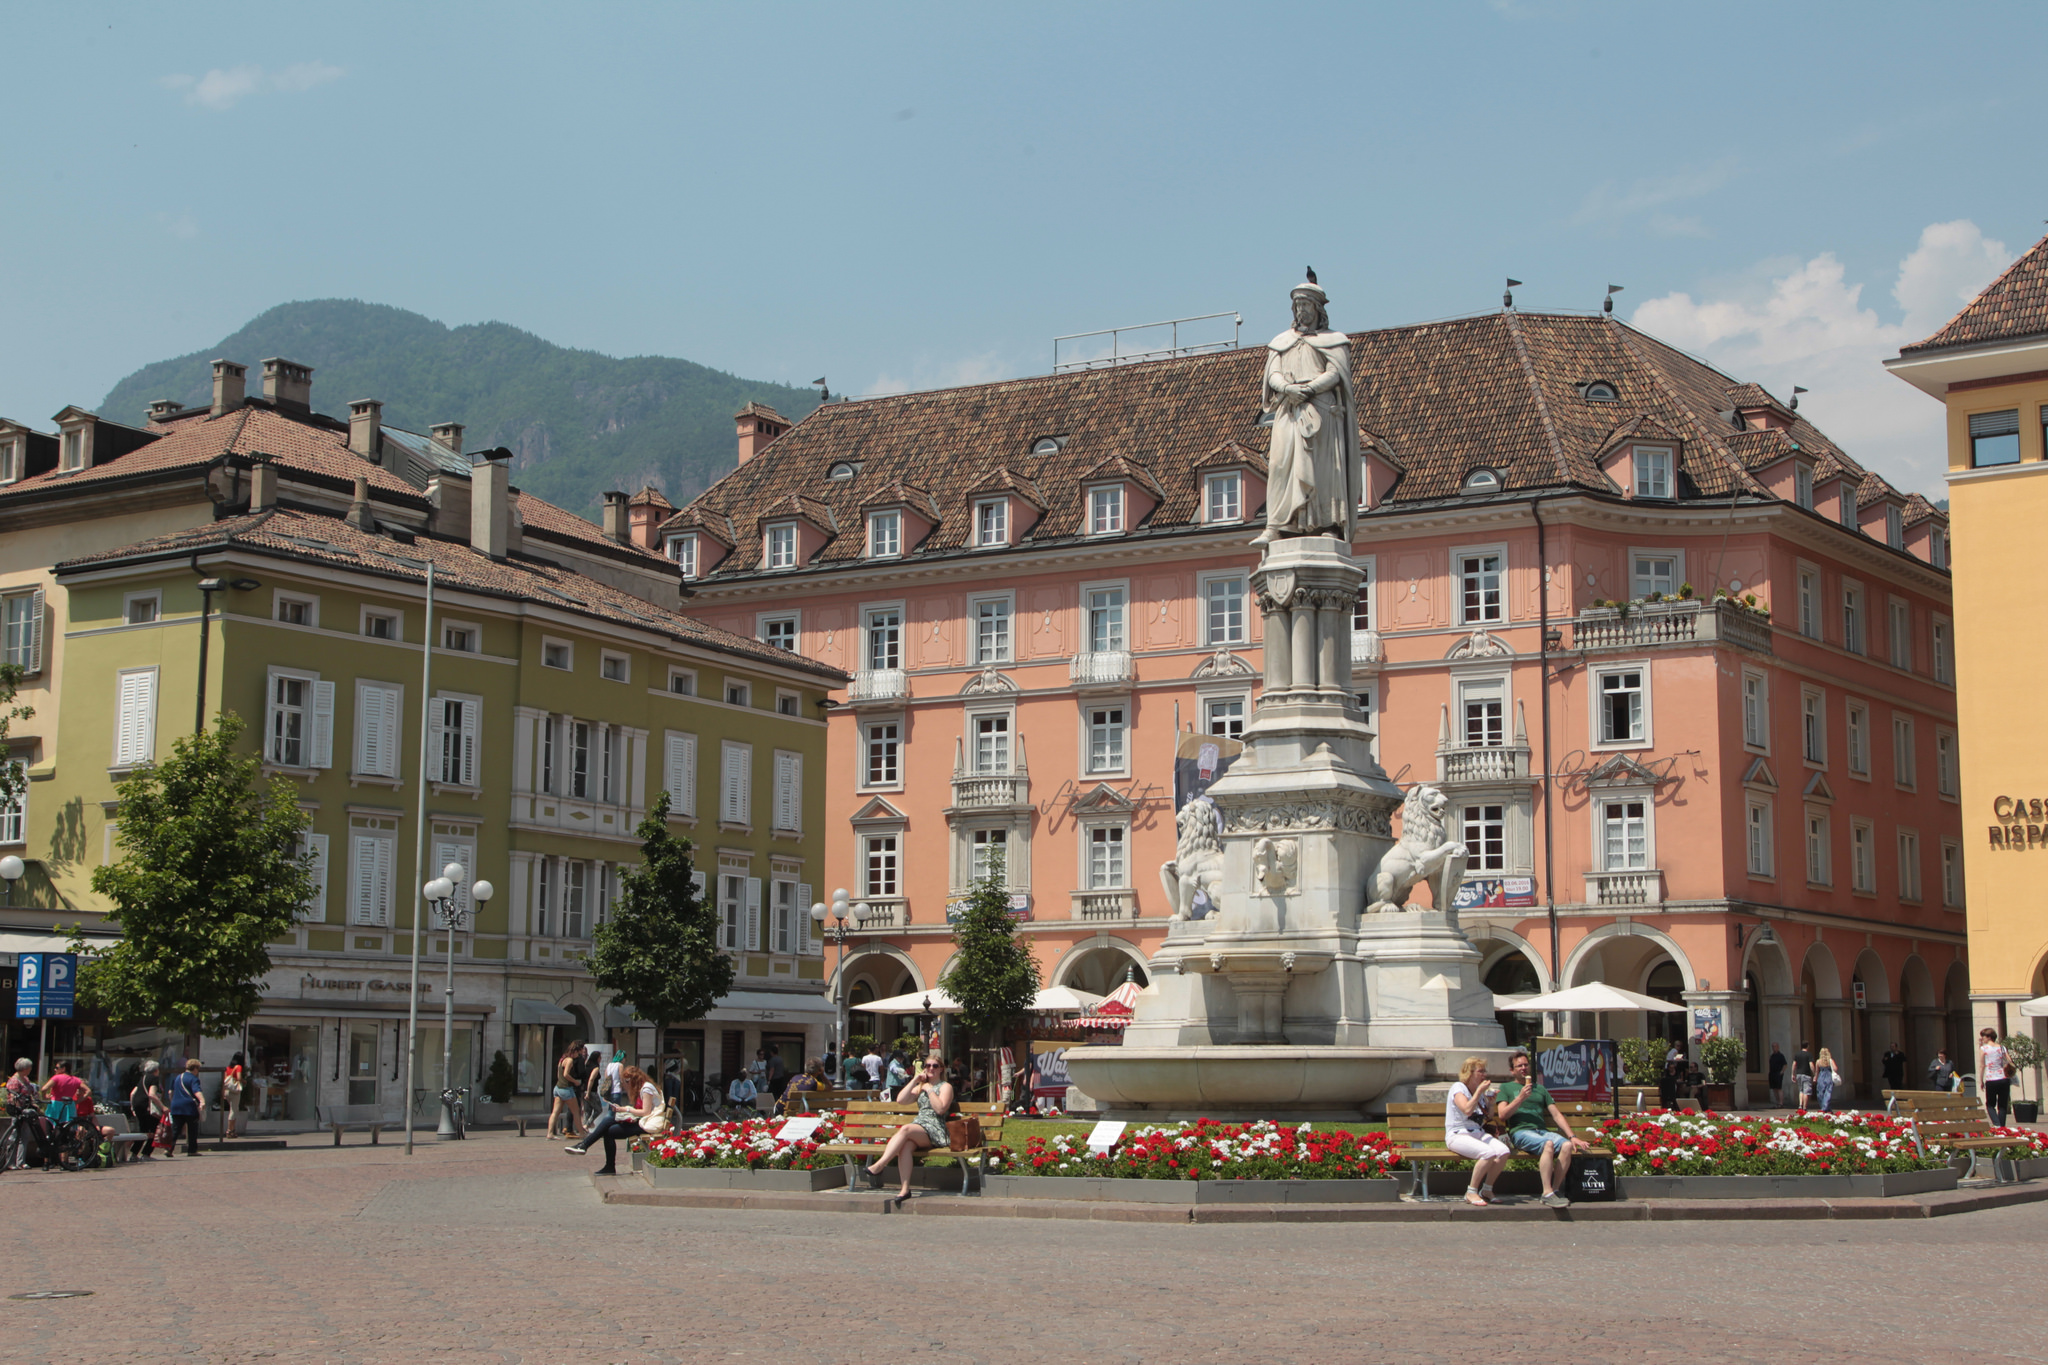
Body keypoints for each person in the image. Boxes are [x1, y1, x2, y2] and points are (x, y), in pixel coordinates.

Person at [1494, 1052, 1590, 1207]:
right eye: (1519, 1066)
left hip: (1541, 1131)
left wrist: (1572, 1136)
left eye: (1526, 1065)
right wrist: (1520, 1098)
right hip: (1520, 1132)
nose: (1524, 1068)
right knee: (1548, 1144)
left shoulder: (1540, 1089)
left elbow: (1556, 1115)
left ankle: (1555, 1190)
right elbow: (1503, 1115)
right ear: (1512, 1070)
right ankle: (1546, 1193)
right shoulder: (1506, 1087)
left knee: (1566, 1145)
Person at [863, 1055, 955, 1205]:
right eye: (927, 1066)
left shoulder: (945, 1087)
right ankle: (905, 1189)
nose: (931, 1068)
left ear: (941, 1069)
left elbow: (940, 1109)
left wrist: (930, 1090)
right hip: (919, 1127)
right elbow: (901, 1100)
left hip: (935, 1129)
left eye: (935, 1066)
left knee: (905, 1129)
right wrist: (915, 1081)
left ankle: (880, 1165)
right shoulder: (920, 1087)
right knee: (905, 1147)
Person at [565, 1065, 662, 1175]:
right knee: (610, 1122)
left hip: (647, 1125)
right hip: (642, 1122)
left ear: (633, 1079)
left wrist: (625, 1109)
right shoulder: (641, 1088)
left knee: (609, 1130)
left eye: (626, 1081)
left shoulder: (646, 1088)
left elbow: (646, 1112)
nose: (625, 1084)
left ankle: (588, 1148)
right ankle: (586, 1147)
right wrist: (623, 1111)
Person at [1445, 1056, 1510, 1208]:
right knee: (1488, 1153)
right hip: (1457, 1134)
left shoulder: (1479, 1093)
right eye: (1481, 1071)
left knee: (1503, 1151)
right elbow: (1467, 1110)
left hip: (1477, 1133)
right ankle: (1471, 1191)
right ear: (1470, 1072)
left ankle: (1487, 1189)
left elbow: (1489, 1116)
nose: (1484, 1074)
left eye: (1484, 1071)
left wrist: (1492, 1104)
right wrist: (1479, 1091)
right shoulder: (1458, 1088)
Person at [167, 1058, 207, 1157]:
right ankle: (192, 1150)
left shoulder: (178, 1077)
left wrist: (173, 1101)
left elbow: (170, 1092)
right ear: (195, 1069)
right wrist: (202, 1101)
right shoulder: (194, 1079)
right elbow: (196, 1091)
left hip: (176, 1106)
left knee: (175, 1129)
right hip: (189, 1107)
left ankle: (168, 1149)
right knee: (192, 1129)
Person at [130, 1061, 166, 1161]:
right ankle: (146, 1154)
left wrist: (132, 1107)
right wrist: (163, 1107)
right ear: (156, 1070)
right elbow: (152, 1094)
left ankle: (133, 1153)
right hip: (147, 1107)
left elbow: (133, 1093)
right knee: (154, 1131)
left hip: (138, 1106)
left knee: (143, 1130)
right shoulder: (154, 1079)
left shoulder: (143, 1079)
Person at [1980, 1028, 2014, 1127]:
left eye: (1983, 1037)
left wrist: (1981, 1080)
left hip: (1991, 1079)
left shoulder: (1984, 1049)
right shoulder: (2002, 1048)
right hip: (2003, 1078)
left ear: (1989, 1037)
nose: (1982, 1039)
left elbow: (1982, 1065)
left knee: (1990, 1104)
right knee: (2002, 1105)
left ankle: (1997, 1124)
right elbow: (2010, 1060)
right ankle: (2002, 1127)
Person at [219, 1051, 246, 1140]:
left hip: (227, 1090)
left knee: (232, 1109)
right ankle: (230, 1130)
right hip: (234, 1091)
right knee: (234, 1110)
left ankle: (231, 1130)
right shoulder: (238, 1067)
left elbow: (224, 1081)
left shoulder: (227, 1068)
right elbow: (238, 1078)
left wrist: (223, 1092)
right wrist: (243, 1081)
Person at [1811, 1047, 1840, 1113]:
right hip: (1829, 1076)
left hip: (1821, 1077)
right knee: (1828, 1092)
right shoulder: (1830, 1060)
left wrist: (1815, 1077)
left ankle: (1824, 1107)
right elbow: (1835, 1068)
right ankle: (1826, 1108)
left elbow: (1817, 1071)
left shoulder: (1818, 1061)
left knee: (1820, 1093)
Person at [1792, 1042, 1815, 1111]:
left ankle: (1800, 1105)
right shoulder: (1809, 1055)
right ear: (1807, 1046)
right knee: (1806, 1091)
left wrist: (1793, 1074)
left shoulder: (1797, 1054)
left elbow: (1794, 1064)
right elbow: (1811, 1065)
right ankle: (1805, 1107)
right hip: (1806, 1074)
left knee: (1801, 1090)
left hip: (1799, 1074)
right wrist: (1814, 1073)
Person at [1767, 1043, 1787, 1107]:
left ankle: (1781, 1103)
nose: (1774, 1048)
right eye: (1772, 1046)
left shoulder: (1780, 1056)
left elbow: (1785, 1064)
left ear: (1778, 1047)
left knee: (1779, 1088)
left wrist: (1782, 1071)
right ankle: (1777, 1102)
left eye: (1775, 1046)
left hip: (1778, 1073)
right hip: (1772, 1073)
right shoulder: (1772, 1056)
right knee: (1774, 1088)